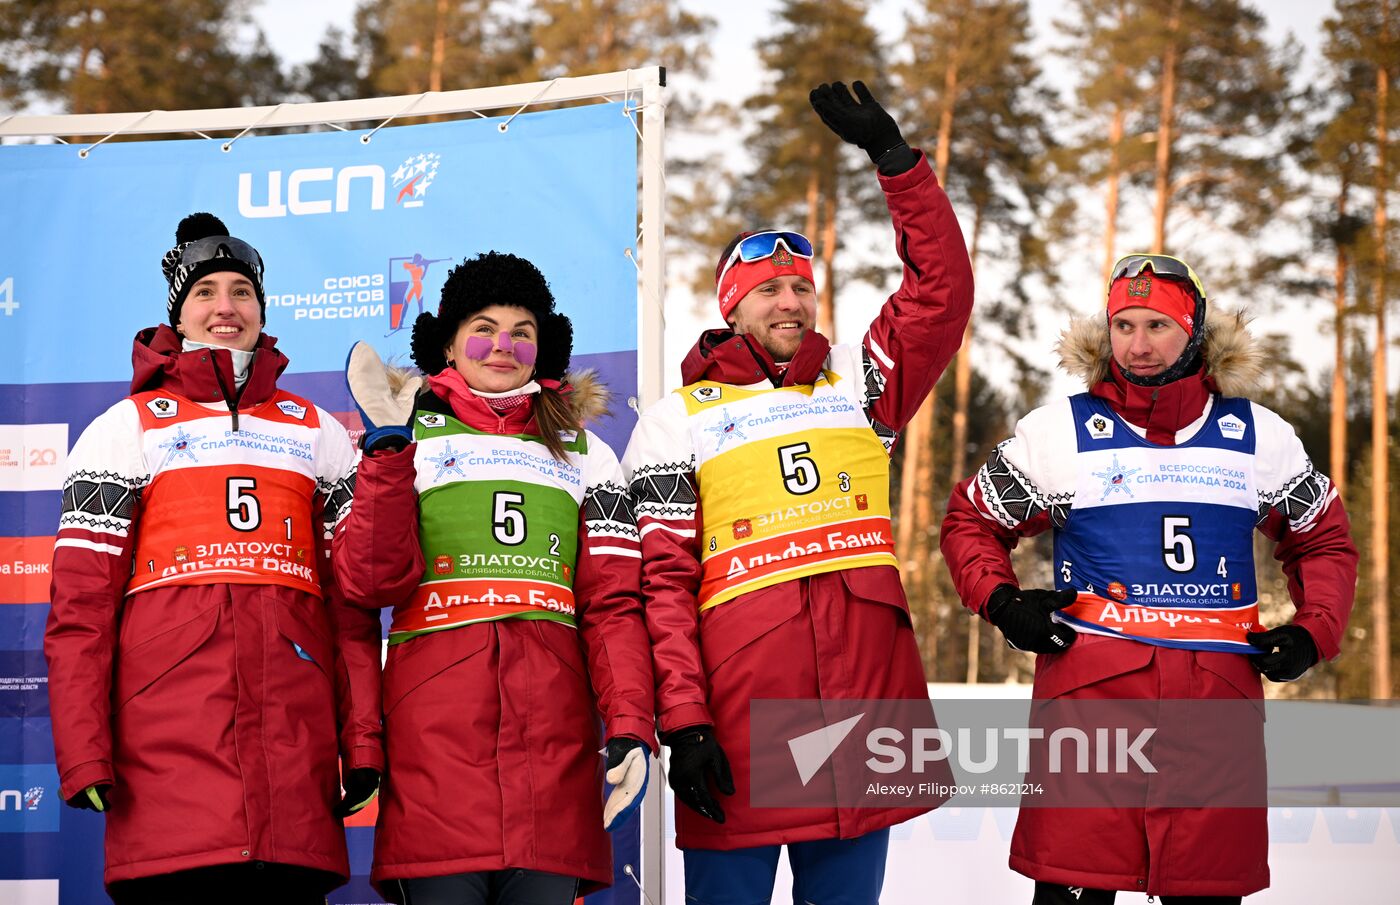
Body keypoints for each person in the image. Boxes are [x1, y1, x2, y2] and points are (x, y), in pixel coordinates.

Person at [622, 80, 974, 904]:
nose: (790, 301)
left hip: (863, 715)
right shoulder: (679, 419)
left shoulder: (859, 389)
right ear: (732, 308)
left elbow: (941, 296)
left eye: (801, 287)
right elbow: (661, 586)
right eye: (768, 291)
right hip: (742, 727)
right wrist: (686, 718)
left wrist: (899, 165)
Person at [940, 253, 1358, 904]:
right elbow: (971, 520)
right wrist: (1002, 600)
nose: (1137, 344)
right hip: (1089, 714)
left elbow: (1322, 538)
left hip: (1214, 719)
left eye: (1157, 325)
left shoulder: (1257, 436)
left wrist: (1313, 632)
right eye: (1124, 325)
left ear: (1194, 332)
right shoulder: (1058, 433)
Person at [45, 213, 384, 905]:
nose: (225, 307)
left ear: (263, 308)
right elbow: (80, 610)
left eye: (241, 291)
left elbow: (354, 607)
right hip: (164, 778)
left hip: (294, 778)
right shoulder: (126, 427)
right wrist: (83, 749)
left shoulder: (316, 430)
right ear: (178, 312)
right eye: (205, 292)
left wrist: (365, 745)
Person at [335, 251, 656, 905]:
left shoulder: (584, 450)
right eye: (483, 327)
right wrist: (389, 454)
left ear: (545, 346)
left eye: (523, 331)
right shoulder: (401, 433)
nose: (502, 345)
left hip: (555, 766)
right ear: (448, 342)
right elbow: (369, 582)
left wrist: (629, 723)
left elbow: (613, 605)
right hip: (435, 759)